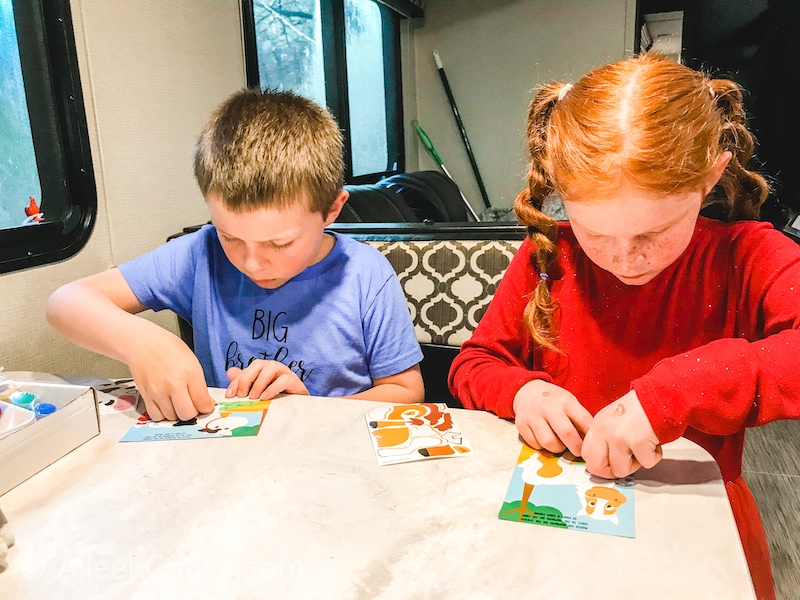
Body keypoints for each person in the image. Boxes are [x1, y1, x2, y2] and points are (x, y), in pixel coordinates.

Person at [448, 54, 800, 600]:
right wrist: (523, 391)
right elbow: (474, 363)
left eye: (654, 232)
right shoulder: (549, 256)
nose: (625, 259)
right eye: (595, 232)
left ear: (709, 178)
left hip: (692, 524)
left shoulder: (749, 256)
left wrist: (674, 394)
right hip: (559, 517)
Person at [47, 88, 424, 422]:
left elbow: (407, 394)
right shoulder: (201, 254)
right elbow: (65, 302)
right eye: (231, 237)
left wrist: (312, 409)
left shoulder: (365, 274)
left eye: (280, 244)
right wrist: (139, 341)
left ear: (332, 209)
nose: (252, 264)